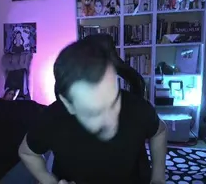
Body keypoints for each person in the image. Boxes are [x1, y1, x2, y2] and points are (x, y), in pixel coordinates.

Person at [17, 37, 166, 184]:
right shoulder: (52, 119)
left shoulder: (136, 107)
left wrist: (158, 178)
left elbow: (159, 132)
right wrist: (48, 180)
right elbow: (27, 152)